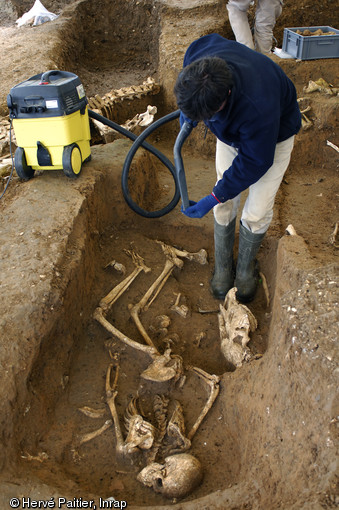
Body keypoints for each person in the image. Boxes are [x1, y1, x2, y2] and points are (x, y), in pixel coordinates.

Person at [174, 33, 301, 303]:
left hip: (273, 137)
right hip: (232, 130)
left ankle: (244, 268)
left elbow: (255, 161)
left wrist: (214, 195)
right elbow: (191, 72)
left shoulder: (258, 105)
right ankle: (223, 267)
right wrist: (189, 110)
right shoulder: (200, 55)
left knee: (256, 209)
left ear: (224, 99)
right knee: (224, 200)